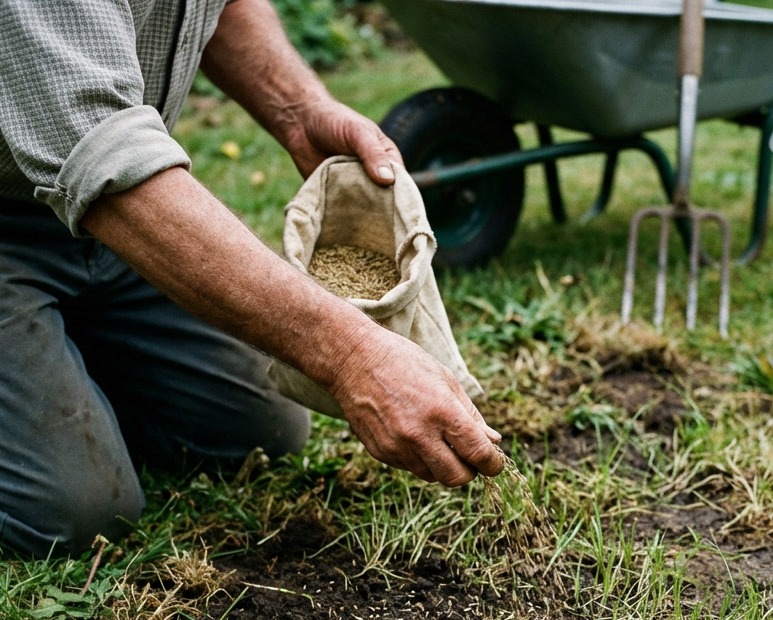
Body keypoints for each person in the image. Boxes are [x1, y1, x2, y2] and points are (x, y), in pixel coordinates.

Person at [0, 0, 505, 559]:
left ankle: (57, 353)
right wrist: (352, 355)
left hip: (106, 215)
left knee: (260, 430)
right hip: (67, 203)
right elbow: (107, 162)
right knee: (75, 515)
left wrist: (298, 108)